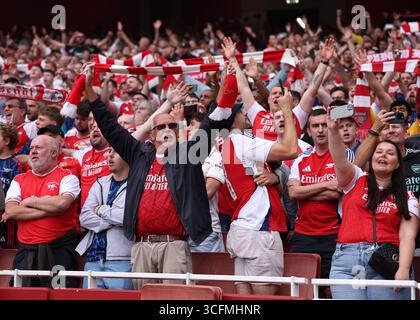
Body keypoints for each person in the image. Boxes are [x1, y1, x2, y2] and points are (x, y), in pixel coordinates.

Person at [84, 65, 213, 290]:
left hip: (174, 245)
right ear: (152, 134)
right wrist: (89, 89)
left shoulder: (189, 156)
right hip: (141, 246)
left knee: (173, 302)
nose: (165, 129)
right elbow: (109, 126)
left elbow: (215, 123)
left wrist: (231, 79)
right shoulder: (138, 154)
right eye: (160, 126)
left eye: (171, 126)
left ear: (177, 130)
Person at [327, 110, 419, 300]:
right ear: (371, 158)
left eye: (390, 153)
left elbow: (407, 235)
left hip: (385, 262)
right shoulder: (355, 180)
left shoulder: (408, 196)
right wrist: (333, 131)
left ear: (397, 164)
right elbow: (339, 159)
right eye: (379, 151)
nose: (383, 155)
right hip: (347, 264)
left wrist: (403, 269)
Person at [2, 135, 81, 287]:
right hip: (25, 254)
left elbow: (60, 205)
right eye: (31, 148)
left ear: (53, 153)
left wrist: (30, 201)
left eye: (38, 148)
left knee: (60, 299)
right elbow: (11, 211)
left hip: (58, 253)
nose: (33, 152)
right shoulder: (19, 179)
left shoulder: (68, 177)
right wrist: (49, 209)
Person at [288, 108, 354, 281]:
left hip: (334, 233)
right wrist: (326, 185)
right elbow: (293, 193)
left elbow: (337, 193)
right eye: (315, 126)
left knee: (331, 288)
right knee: (302, 288)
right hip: (302, 234)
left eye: (324, 125)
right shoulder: (300, 159)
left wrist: (306, 192)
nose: (320, 130)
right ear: (308, 131)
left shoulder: (344, 155)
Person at [76, 148, 134, 290]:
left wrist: (100, 209)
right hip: (93, 260)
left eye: (116, 152)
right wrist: (111, 219)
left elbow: (128, 217)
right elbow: (84, 217)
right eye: (109, 152)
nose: (110, 156)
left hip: (122, 260)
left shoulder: (137, 185)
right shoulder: (100, 182)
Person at [0, 123, 22, 248]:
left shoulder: (15, 164)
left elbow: (18, 191)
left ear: (7, 140)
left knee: (8, 247)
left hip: (8, 216)